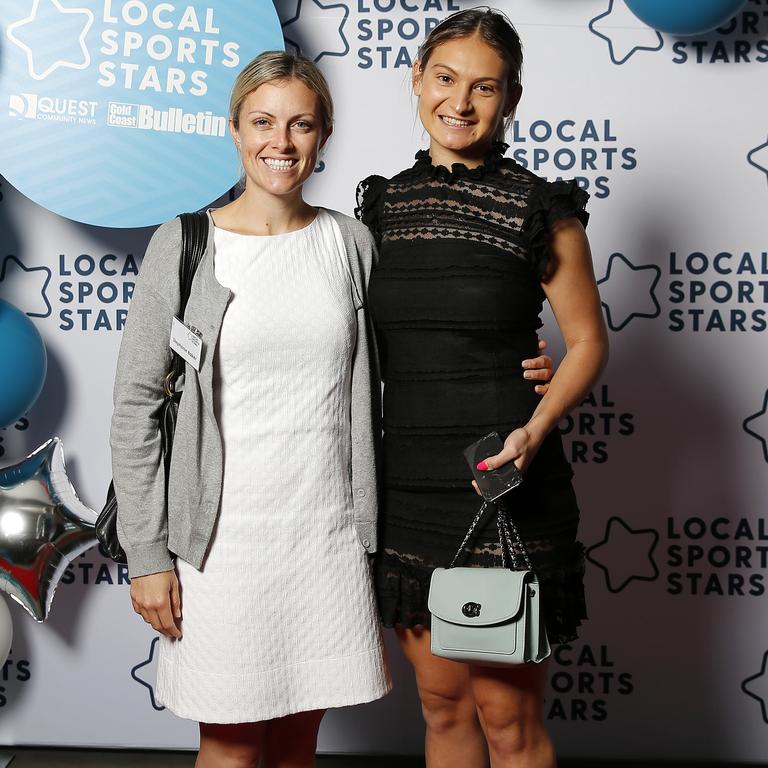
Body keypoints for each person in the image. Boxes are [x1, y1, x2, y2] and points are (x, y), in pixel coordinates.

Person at [110, 51, 391, 768]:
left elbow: (407, 367)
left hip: (325, 537)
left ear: (324, 135)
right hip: (221, 547)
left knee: (298, 744)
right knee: (231, 748)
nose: (282, 142)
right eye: (263, 122)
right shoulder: (185, 245)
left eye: (301, 125)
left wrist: (526, 364)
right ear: (233, 129)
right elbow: (136, 407)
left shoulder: (349, 244)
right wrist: (148, 556)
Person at [356, 8, 609, 767]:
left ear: (511, 99)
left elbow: (589, 343)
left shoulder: (540, 207)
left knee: (508, 720)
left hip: (504, 483)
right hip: (407, 490)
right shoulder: (383, 206)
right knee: (441, 708)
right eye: (445, 78)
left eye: (485, 87)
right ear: (416, 80)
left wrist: (538, 424)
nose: (460, 102)